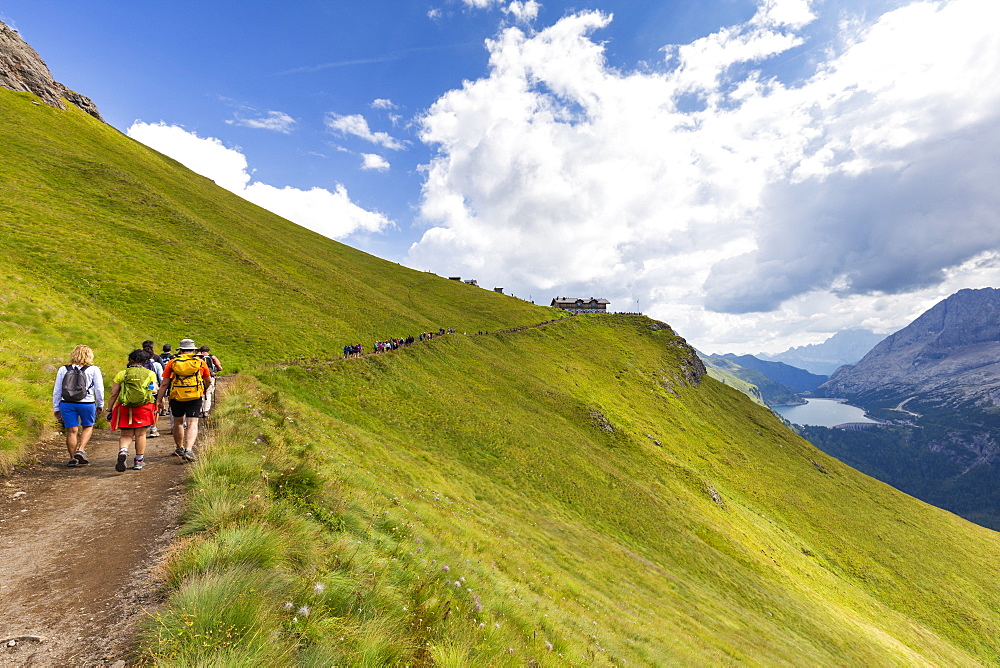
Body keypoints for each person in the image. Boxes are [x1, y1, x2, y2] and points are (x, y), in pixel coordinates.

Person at [156, 338, 211, 462]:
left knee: (178, 422)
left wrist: (159, 400)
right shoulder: (200, 362)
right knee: (192, 423)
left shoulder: (172, 362)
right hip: (195, 395)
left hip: (176, 396)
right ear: (194, 350)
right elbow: (208, 380)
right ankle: (189, 450)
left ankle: (179, 448)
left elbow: (164, 383)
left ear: (180, 350)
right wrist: (204, 389)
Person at [52, 344, 104, 467]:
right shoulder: (94, 369)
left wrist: (56, 407)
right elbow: (99, 389)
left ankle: (71, 458)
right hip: (87, 403)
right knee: (88, 427)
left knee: (72, 431)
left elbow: (57, 390)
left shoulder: (63, 369)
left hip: (67, 403)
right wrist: (100, 404)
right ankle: (80, 449)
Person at [105, 349, 158, 471]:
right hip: (144, 407)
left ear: (130, 360)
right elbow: (154, 390)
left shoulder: (122, 374)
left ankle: (123, 450)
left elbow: (114, 393)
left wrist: (109, 409)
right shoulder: (150, 373)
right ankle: (139, 461)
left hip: (125, 407)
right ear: (145, 361)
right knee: (141, 434)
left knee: (126, 434)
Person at [195, 345, 222, 415]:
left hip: (198, 378)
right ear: (208, 351)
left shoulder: (196, 357)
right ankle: (206, 410)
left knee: (199, 393)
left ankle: (199, 409)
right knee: (208, 393)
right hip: (210, 377)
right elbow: (220, 368)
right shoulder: (212, 357)